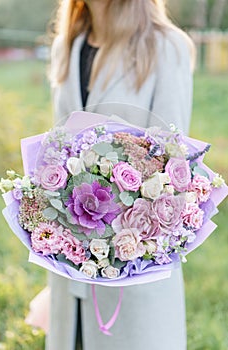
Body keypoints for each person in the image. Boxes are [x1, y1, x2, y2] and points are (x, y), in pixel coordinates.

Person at [46, 1, 195, 349]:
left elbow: (173, 162)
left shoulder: (165, 46)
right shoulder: (68, 45)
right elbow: (57, 146)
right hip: (69, 266)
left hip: (134, 267)